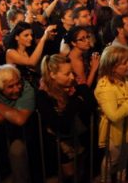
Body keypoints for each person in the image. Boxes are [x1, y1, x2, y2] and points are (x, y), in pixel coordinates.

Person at [94, 45, 128, 183]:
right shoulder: (105, 86)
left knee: (124, 159)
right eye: (124, 63)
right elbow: (114, 115)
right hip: (114, 133)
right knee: (112, 161)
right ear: (112, 66)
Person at [36, 54, 90, 183]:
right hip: (57, 142)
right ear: (53, 75)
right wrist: (76, 101)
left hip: (77, 137)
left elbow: (91, 103)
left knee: (79, 170)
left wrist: (81, 86)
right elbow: (60, 124)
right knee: (68, 173)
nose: (72, 77)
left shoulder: (73, 87)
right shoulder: (43, 95)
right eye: (67, 74)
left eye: (72, 72)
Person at [0, 64, 36, 183]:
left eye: (18, 83)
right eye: (10, 87)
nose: (17, 89)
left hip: (21, 133)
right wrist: (12, 113)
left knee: (18, 154)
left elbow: (20, 120)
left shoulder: (26, 88)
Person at [5, 21, 56, 90]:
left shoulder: (28, 49)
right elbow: (31, 62)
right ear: (16, 37)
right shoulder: (10, 52)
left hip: (32, 85)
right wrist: (43, 38)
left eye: (31, 35)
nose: (30, 38)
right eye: (26, 35)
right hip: (20, 89)